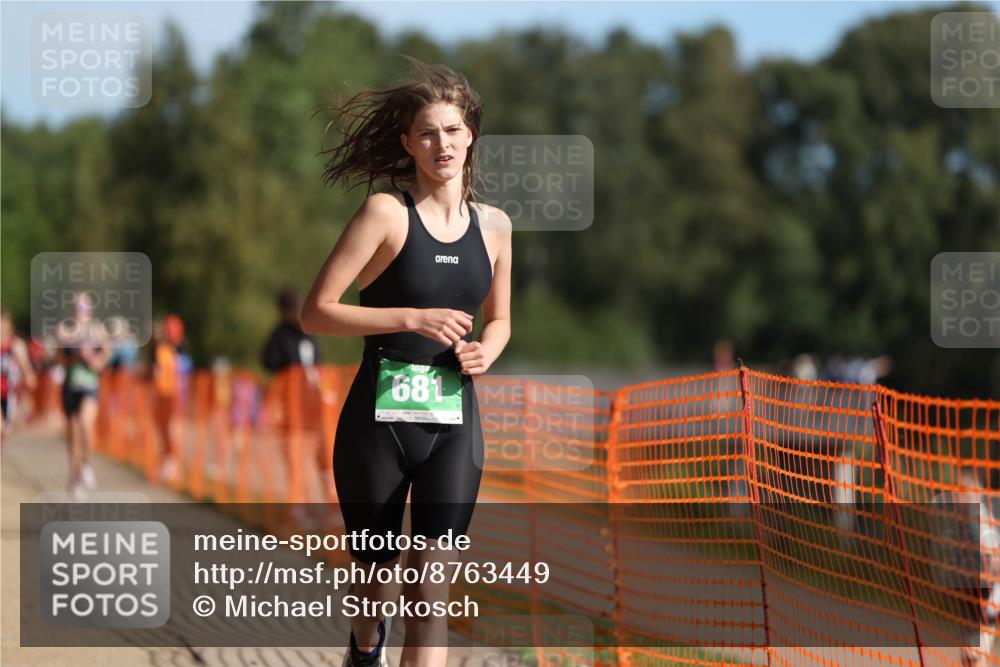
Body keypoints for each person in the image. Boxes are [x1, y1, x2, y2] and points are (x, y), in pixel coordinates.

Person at [303, 57, 511, 667]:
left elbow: (498, 321)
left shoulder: (495, 227)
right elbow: (316, 312)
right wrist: (412, 318)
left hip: (454, 424)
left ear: (470, 134)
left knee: (431, 585)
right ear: (407, 143)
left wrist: (485, 353)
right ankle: (365, 645)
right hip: (378, 427)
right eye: (426, 133)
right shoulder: (385, 215)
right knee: (378, 581)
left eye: (451, 130)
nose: (440, 144)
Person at [260, 287, 332, 503]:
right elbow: (268, 362)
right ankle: (299, 503)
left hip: (313, 400)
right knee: (295, 454)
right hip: (291, 404)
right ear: (283, 311)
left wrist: (325, 390)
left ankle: (329, 499)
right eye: (291, 309)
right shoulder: (279, 335)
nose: (296, 313)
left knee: (324, 452)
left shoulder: (309, 331)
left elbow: (318, 366)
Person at [931, 467, 1000, 666]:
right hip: (979, 593)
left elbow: (991, 557)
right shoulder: (970, 516)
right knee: (975, 648)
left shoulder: (977, 516)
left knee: (974, 650)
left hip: (986, 592)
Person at [55, 293, 111, 498]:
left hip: (89, 385)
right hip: (70, 385)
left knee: (86, 426)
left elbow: (106, 353)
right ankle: (74, 477)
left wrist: (96, 361)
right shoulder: (65, 329)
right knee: (72, 436)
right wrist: (72, 354)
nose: (80, 311)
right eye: (77, 307)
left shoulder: (97, 329)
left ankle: (86, 465)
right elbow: (59, 359)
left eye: (84, 307)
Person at [1, 309, 38, 439]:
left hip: (10, 395)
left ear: (9, 327)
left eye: (3, 325)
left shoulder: (17, 346)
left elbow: (28, 374)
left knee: (3, 433)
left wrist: (28, 380)